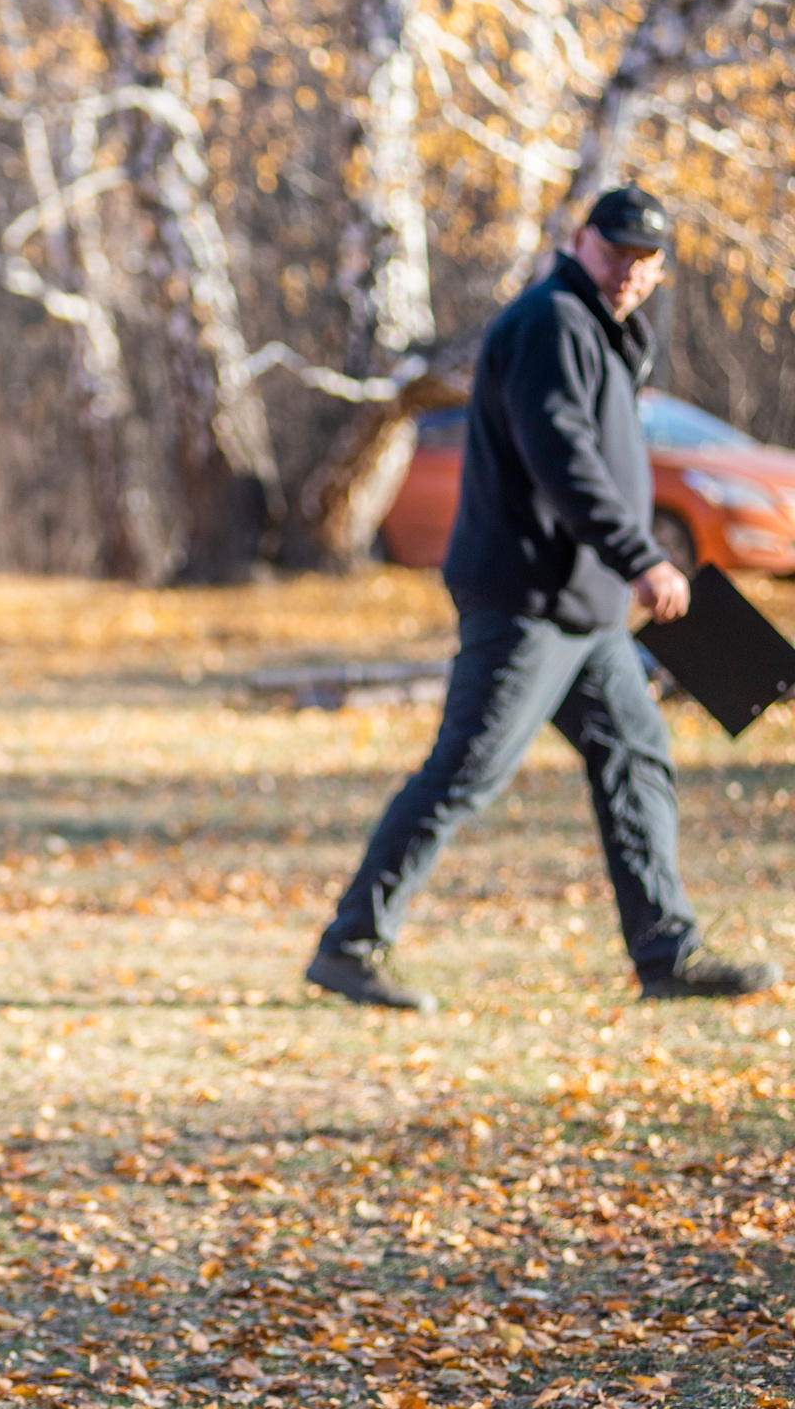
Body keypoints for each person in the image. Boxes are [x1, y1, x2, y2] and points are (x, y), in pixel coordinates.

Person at [308, 187, 782, 1011]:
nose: (629, 270)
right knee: (465, 772)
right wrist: (639, 556)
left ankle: (667, 953)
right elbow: (560, 455)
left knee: (636, 757)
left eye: (645, 259)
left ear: (661, 266)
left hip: (584, 610)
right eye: (616, 251)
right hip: (525, 601)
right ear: (580, 239)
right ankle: (350, 944)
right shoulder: (551, 324)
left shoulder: (604, 329)